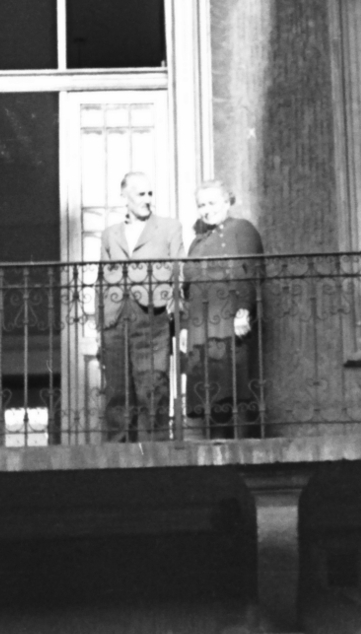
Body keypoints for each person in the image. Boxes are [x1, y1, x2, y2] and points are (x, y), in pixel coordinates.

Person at [90, 172, 182, 441]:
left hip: (152, 313)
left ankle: (153, 450)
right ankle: (118, 453)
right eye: (141, 194)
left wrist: (175, 301)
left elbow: (180, 267)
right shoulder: (110, 234)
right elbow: (101, 278)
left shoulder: (168, 227)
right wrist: (99, 322)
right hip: (115, 316)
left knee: (152, 384)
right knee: (117, 389)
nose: (148, 200)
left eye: (150, 193)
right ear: (125, 196)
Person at [182, 179, 265, 439]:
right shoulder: (196, 243)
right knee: (210, 384)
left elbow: (252, 270)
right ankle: (218, 441)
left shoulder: (242, 229)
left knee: (235, 380)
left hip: (230, 318)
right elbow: (187, 288)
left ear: (227, 202)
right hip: (201, 324)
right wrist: (185, 327)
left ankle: (241, 444)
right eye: (201, 205)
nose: (206, 210)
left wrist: (243, 310)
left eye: (212, 203)